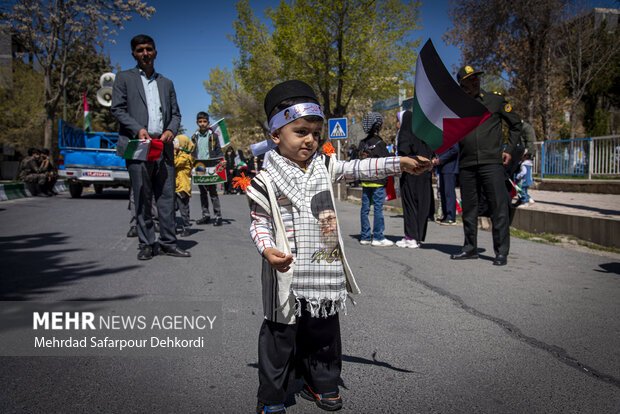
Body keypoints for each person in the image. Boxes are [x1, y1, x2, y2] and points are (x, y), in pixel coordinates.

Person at [246, 80, 429, 414]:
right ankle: (273, 396)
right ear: (275, 135)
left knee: (323, 327)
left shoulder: (325, 164)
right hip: (284, 266)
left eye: (316, 133)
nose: (310, 140)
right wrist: (267, 249)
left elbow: (358, 167)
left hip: (323, 261)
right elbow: (259, 222)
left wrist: (399, 162)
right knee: (281, 331)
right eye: (301, 131)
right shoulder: (265, 179)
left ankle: (321, 383)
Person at [111, 34, 190, 261]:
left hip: (162, 146)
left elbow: (175, 113)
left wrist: (170, 131)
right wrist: (137, 129)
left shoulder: (166, 83)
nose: (145, 53)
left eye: (149, 49)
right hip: (138, 145)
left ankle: (168, 242)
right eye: (140, 50)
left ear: (155, 52)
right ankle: (146, 243)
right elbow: (117, 109)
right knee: (143, 196)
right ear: (134, 54)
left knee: (166, 197)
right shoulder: (124, 78)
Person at [450, 65, 522, 266]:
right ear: (462, 84)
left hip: (492, 163)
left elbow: (516, 125)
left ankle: (501, 252)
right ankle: (469, 248)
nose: (474, 81)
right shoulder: (458, 107)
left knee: (498, 207)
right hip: (467, 163)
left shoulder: (494, 100)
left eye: (476, 78)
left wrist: (508, 149)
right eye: (469, 79)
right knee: (470, 209)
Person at [395, 110, 435, 248]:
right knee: (422, 204)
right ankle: (418, 237)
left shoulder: (407, 134)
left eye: (398, 120)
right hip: (425, 172)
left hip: (411, 172)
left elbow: (403, 150)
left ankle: (410, 236)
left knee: (410, 204)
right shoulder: (424, 134)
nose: (397, 124)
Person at [357, 112, 393, 246]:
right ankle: (378, 236)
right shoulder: (380, 143)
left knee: (365, 208)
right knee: (378, 208)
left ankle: (365, 236)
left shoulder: (362, 143)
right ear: (378, 126)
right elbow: (386, 161)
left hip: (366, 180)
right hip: (378, 181)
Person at [191, 111, 225, 226]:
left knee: (213, 192)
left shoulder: (213, 136)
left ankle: (218, 215)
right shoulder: (194, 137)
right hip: (199, 167)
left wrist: (222, 160)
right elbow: (192, 151)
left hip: (211, 167)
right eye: (200, 122)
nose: (202, 124)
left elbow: (218, 150)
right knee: (202, 192)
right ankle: (205, 215)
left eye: (204, 121)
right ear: (197, 123)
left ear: (208, 122)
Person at [433, 143, 459, 225]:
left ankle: (451, 216)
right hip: (442, 167)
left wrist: (441, 159)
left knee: (449, 192)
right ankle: (445, 215)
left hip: (449, 167)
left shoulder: (452, 136)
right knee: (443, 192)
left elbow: (454, 150)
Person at [173, 134, 195, 236]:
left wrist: (174, 151)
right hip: (175, 186)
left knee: (183, 208)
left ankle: (186, 227)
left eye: (177, 142)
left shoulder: (185, 156)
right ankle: (172, 227)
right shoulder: (179, 154)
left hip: (183, 187)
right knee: (172, 208)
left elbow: (175, 163)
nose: (174, 144)